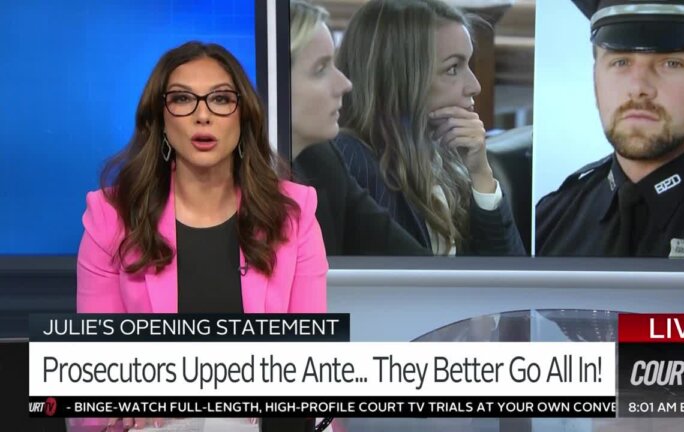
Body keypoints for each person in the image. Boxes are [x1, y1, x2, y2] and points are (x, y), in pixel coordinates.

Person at [74, 41, 327, 429]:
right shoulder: (111, 216)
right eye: (182, 99)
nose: (202, 116)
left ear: (244, 117)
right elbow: (87, 391)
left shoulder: (294, 213)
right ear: (159, 118)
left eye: (221, 99)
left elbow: (312, 372)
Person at [536, 0, 684, 258]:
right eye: (621, 62)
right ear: (595, 81)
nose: (638, 87)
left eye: (671, 63)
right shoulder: (549, 219)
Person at [334, 0, 526, 256]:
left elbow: (510, 283)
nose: (475, 85)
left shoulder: (447, 158)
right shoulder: (353, 160)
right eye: (453, 68)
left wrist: (481, 174)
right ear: (400, 78)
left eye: (468, 64)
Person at [290, 0, 428, 256]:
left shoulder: (321, 159)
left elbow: (412, 264)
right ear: (271, 81)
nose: (344, 84)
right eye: (320, 69)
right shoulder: (218, 186)